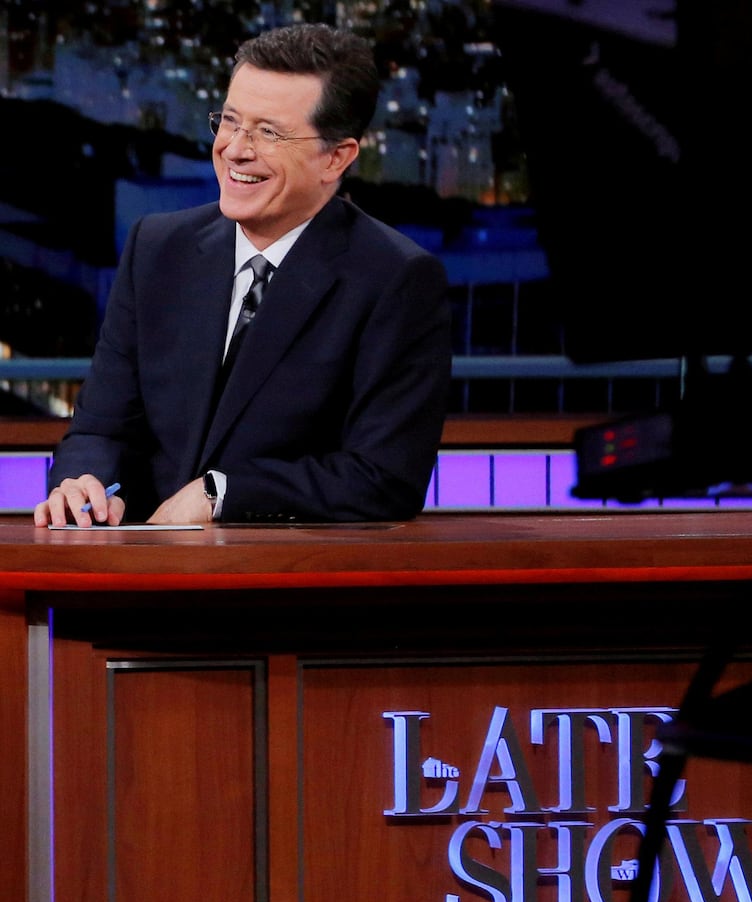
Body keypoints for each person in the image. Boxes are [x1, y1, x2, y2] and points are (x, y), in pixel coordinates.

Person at [34, 23, 451, 528]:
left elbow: (384, 477)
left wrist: (221, 494)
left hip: (282, 590)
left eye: (269, 133)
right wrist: (84, 483)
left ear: (336, 158)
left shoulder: (395, 279)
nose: (235, 149)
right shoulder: (157, 248)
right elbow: (100, 429)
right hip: (138, 578)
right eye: (229, 122)